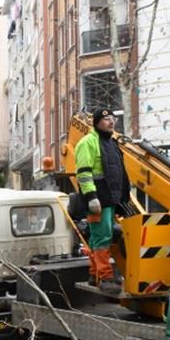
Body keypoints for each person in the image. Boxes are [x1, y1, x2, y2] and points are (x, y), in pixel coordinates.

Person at [74, 108, 130, 293]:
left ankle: (94, 273)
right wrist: (91, 197)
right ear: (97, 122)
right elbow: (83, 173)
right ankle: (105, 277)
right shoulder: (88, 142)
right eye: (106, 119)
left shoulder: (111, 143)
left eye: (112, 118)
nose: (111, 121)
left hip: (110, 199)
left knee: (99, 237)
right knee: (102, 237)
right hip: (99, 199)